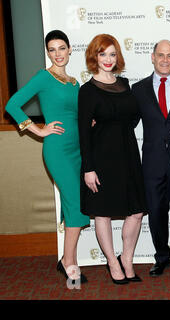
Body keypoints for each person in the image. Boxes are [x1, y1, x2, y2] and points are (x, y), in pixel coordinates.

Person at [5, 30, 90, 284]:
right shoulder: (44, 77)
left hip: (78, 149)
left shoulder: (75, 83)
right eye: (52, 49)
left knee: (74, 201)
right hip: (57, 150)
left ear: (70, 49)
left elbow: (78, 115)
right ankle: (69, 261)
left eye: (61, 48)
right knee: (76, 203)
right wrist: (39, 130)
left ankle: (66, 258)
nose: (57, 54)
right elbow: (12, 105)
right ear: (48, 52)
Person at [78, 34, 147, 285]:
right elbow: (84, 133)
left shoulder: (125, 84)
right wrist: (88, 168)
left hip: (128, 154)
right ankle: (112, 261)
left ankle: (126, 258)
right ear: (94, 57)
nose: (108, 59)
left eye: (112, 54)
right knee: (103, 214)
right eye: (102, 54)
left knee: (137, 211)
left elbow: (133, 117)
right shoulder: (87, 91)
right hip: (101, 157)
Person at [132, 40, 170, 278]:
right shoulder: (138, 89)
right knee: (156, 212)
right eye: (161, 55)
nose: (165, 60)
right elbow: (127, 121)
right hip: (153, 161)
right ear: (152, 57)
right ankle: (161, 258)